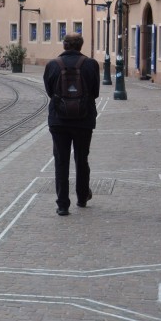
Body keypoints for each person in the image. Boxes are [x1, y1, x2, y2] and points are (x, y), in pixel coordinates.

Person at [43, 32, 102, 216]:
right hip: (84, 120)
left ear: (64, 45)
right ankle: (82, 196)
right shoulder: (90, 64)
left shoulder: (53, 65)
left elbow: (49, 91)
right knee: (82, 158)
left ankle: (62, 205)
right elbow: (95, 92)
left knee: (61, 160)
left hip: (58, 121)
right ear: (80, 46)